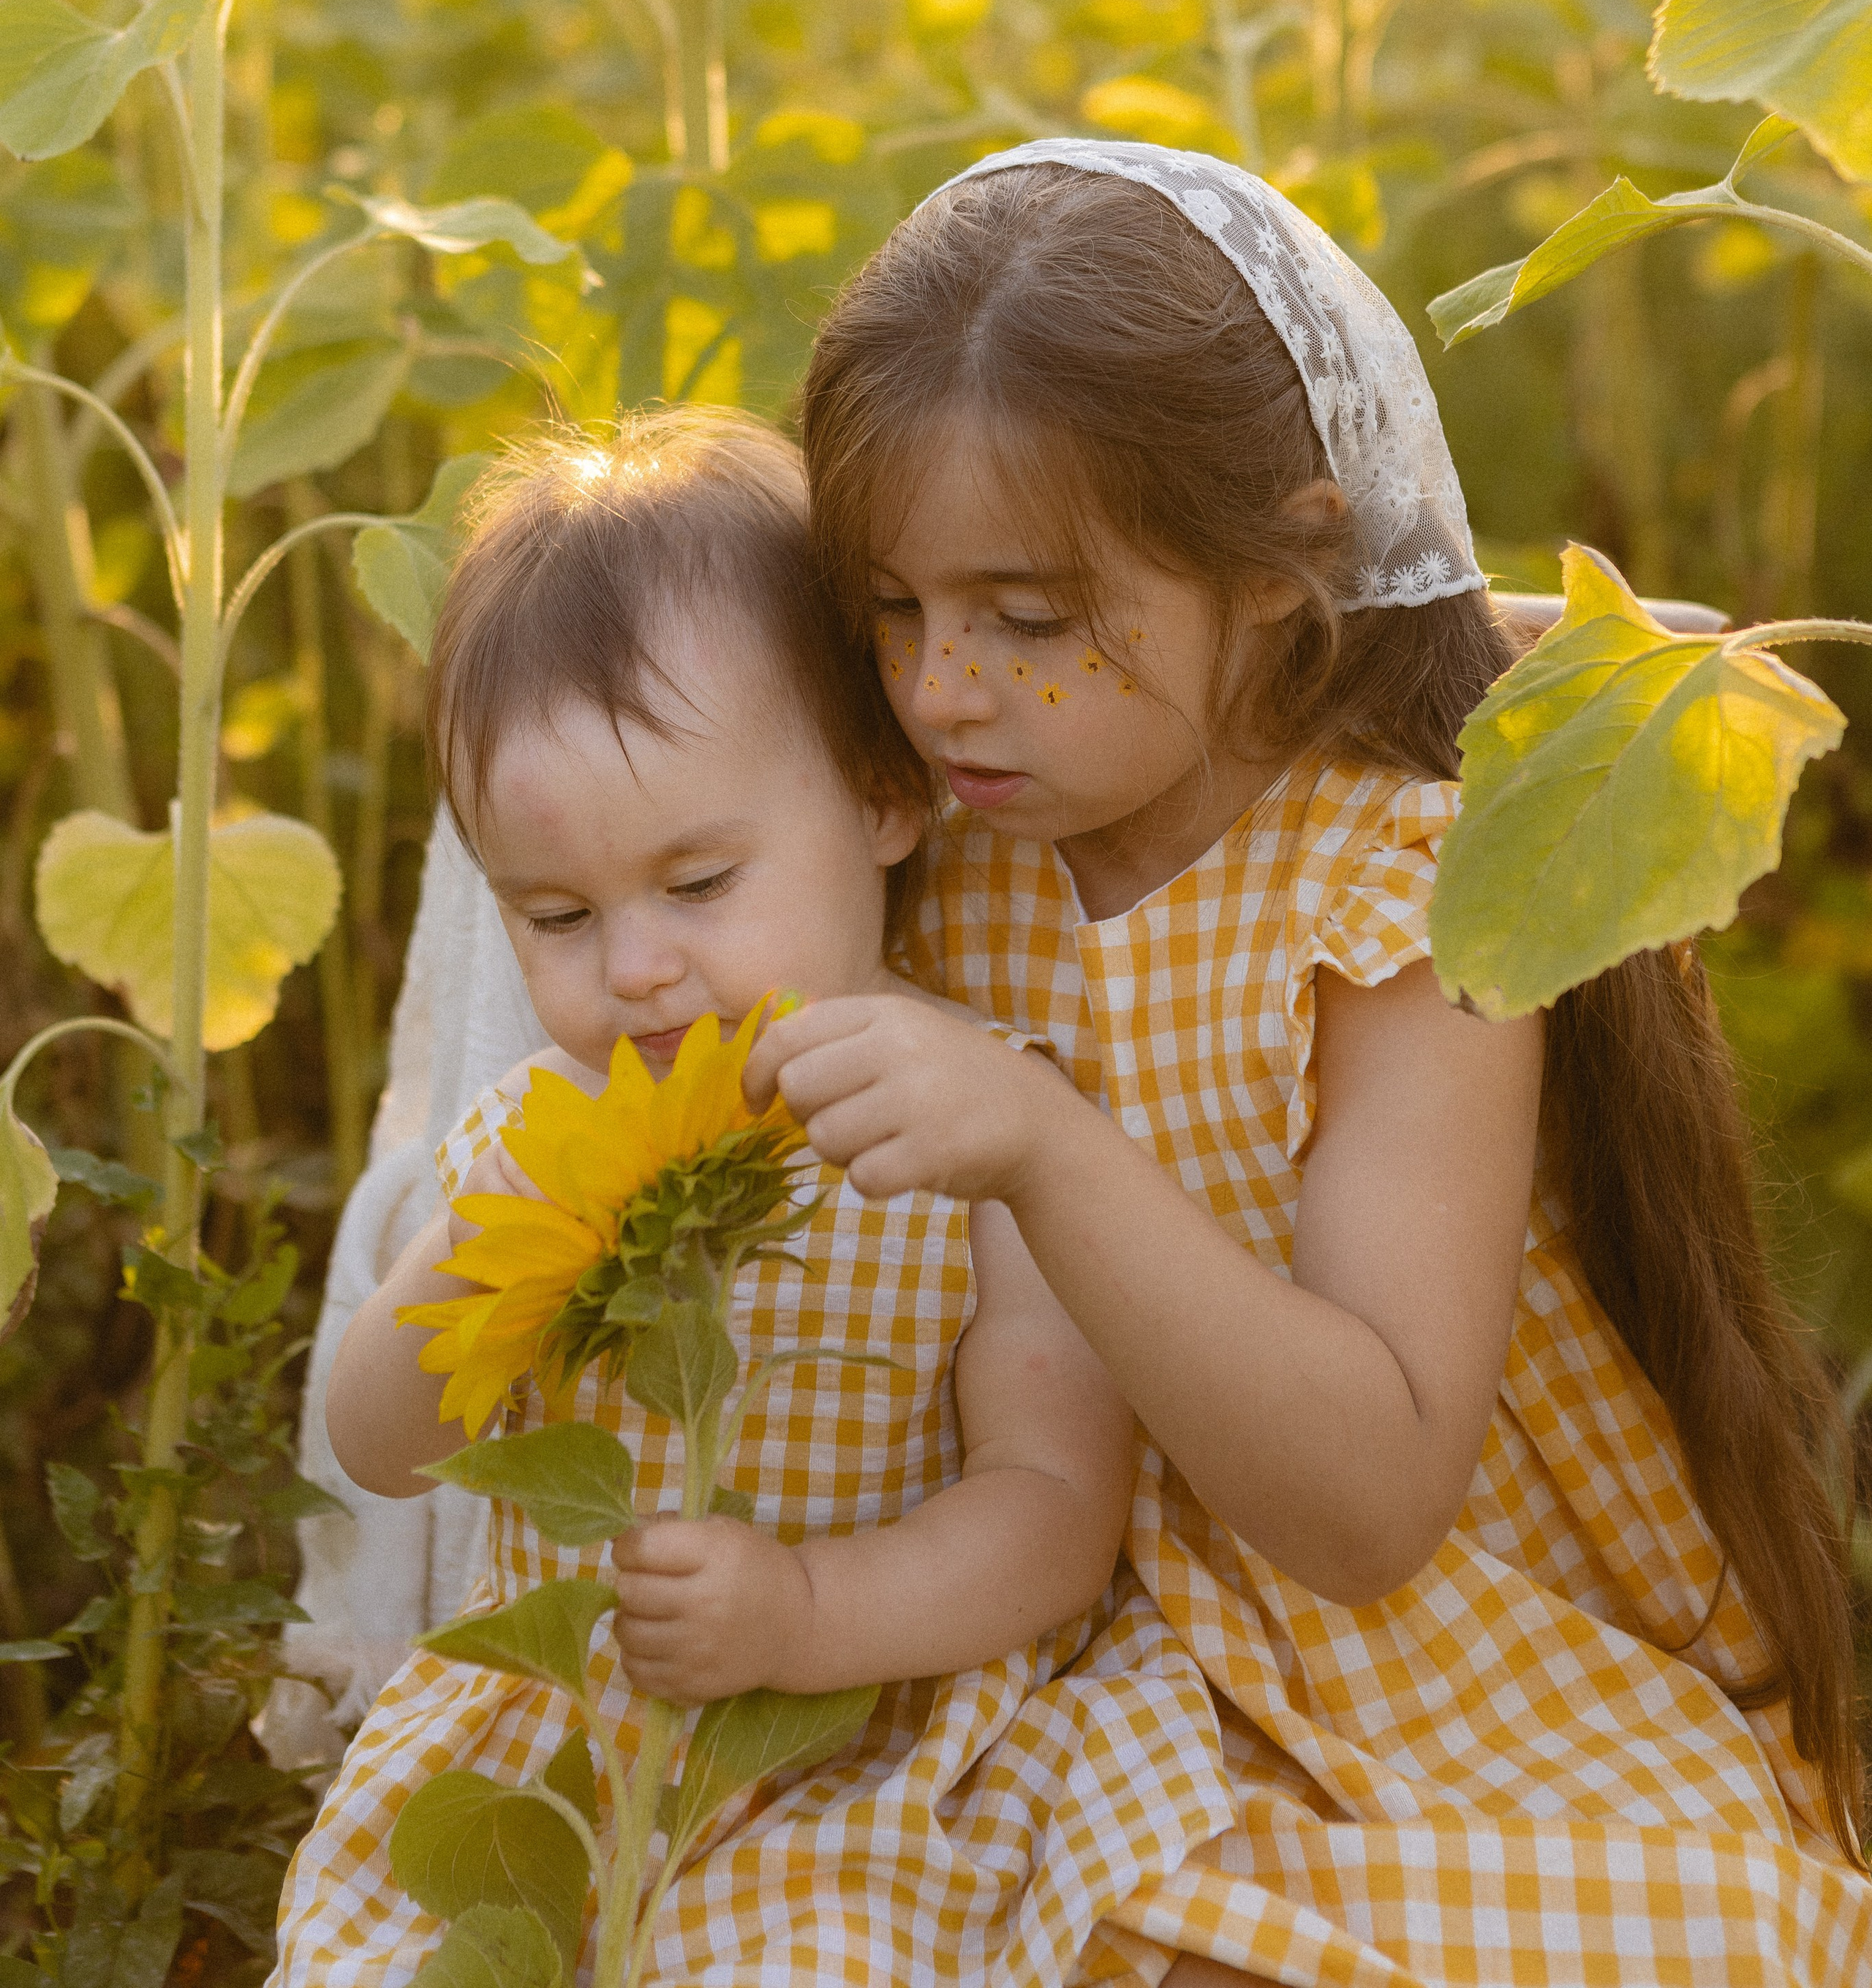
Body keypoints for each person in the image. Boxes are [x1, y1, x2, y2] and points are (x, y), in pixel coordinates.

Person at [747, 138, 1872, 1987]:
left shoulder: (1398, 907)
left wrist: (1040, 1141)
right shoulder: (946, 818)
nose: (943, 686)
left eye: (1026, 619)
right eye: (889, 609)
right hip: (1056, 1604)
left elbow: (1367, 1509)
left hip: (1443, 1666)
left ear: (1287, 566)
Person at [271, 411, 1232, 1987]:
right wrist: (491, 1243)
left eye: (698, 885)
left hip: (857, 1739)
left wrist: (801, 1614)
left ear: (880, 798)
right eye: (557, 914)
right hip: (557, 1752)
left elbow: (1055, 1513)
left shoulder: (978, 1122)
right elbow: (381, 1445)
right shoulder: (549, 1132)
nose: (635, 966)